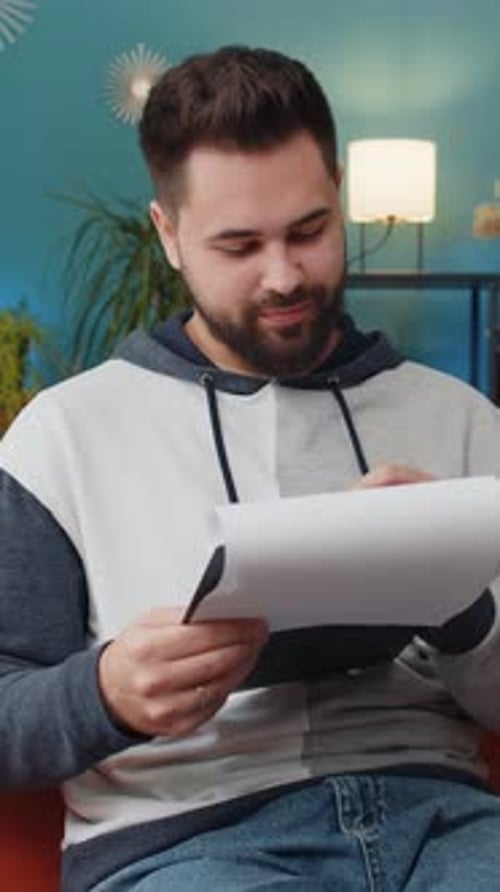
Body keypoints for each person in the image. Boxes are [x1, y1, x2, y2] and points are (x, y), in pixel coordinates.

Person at [1, 45, 500, 892]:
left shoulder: (461, 418)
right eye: (238, 245)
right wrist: (105, 693)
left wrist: (462, 609)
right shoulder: (62, 436)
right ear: (168, 235)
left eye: (309, 230)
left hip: (447, 824)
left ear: (339, 199)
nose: (283, 276)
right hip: (189, 844)